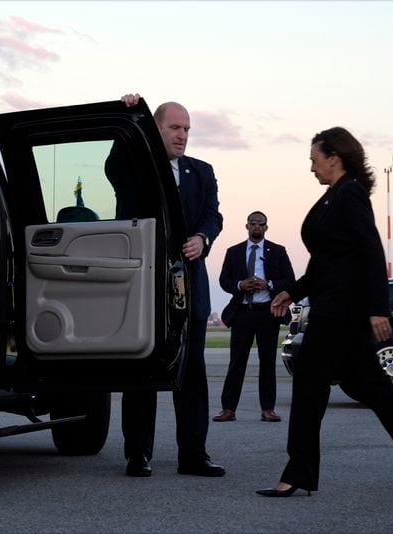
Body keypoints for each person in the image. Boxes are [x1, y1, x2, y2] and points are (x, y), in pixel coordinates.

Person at [257, 127, 393, 497]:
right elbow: (324, 263)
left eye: (314, 159)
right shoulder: (333, 197)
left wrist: (379, 309)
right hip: (335, 311)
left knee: (309, 389)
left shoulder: (351, 195)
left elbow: (371, 252)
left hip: (340, 316)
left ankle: (296, 475)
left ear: (334, 157)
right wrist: (290, 292)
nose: (311, 167)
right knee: (374, 390)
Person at [118, 94, 225, 478]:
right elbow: (112, 164)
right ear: (157, 128)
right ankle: (137, 454)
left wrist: (203, 238)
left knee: (192, 369)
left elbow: (214, 215)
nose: (182, 136)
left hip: (190, 287)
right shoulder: (135, 166)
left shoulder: (202, 171)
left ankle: (193, 454)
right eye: (174, 128)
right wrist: (131, 116)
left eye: (187, 129)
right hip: (146, 283)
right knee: (143, 367)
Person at [213, 211, 295, 423]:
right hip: (242, 313)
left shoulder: (277, 251)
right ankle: (228, 409)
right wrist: (241, 284)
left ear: (266, 227)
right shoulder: (234, 252)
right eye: (253, 223)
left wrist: (268, 284)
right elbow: (224, 280)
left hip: (268, 312)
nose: (256, 226)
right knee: (237, 362)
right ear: (246, 226)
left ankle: (268, 409)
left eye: (261, 223)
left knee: (267, 362)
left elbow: (289, 280)